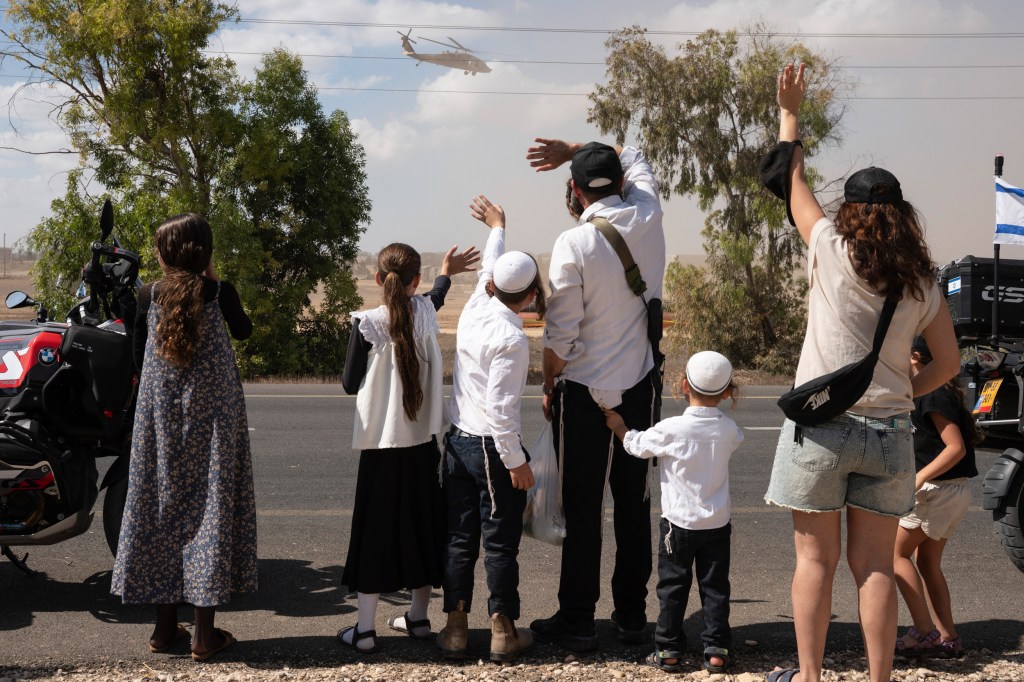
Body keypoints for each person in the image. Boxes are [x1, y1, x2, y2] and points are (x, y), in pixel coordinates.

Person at [761, 63, 960, 682]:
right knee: (874, 566)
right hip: (890, 433)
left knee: (813, 562)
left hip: (822, 428)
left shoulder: (827, 246)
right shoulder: (923, 283)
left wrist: (790, 112)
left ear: (849, 210)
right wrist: (903, 392)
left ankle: (810, 676)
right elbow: (949, 363)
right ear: (903, 215)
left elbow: (790, 178)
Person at [526, 137, 665, 651]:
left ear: (575, 191)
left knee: (582, 505)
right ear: (623, 183)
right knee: (633, 502)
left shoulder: (573, 243)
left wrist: (549, 385)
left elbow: (560, 336)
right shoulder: (649, 212)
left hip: (583, 392)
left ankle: (578, 620)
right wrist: (575, 148)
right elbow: (634, 149)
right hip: (640, 387)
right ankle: (631, 617)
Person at [112, 213, 257, 662]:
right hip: (214, 426)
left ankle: (162, 631)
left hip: (160, 424)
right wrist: (211, 276)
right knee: (209, 512)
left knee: (162, 508)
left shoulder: (146, 296)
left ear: (163, 255)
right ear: (205, 253)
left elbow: (138, 357)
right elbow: (244, 331)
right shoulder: (220, 293)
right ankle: (203, 636)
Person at [338, 241, 479, 654]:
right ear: (415, 280)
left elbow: (349, 384)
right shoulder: (425, 313)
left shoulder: (367, 324)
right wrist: (446, 272)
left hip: (381, 449)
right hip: (423, 447)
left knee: (375, 533)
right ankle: (418, 619)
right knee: (424, 527)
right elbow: (436, 295)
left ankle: (365, 630)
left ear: (378, 279)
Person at [437, 195, 543, 662]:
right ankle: (502, 631)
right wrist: (516, 463)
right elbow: (501, 412)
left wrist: (498, 227)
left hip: (457, 443)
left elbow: (489, 268)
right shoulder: (512, 338)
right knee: (500, 544)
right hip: (491, 450)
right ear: (532, 296)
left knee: (460, 539)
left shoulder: (477, 306)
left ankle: (455, 630)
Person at [604, 351, 743, 674]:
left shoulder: (671, 429)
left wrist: (619, 425)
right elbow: (737, 438)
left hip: (677, 526)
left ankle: (668, 649)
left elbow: (636, 446)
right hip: (716, 525)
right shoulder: (728, 429)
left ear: (683, 386)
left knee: (673, 588)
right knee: (715, 588)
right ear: (727, 393)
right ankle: (717, 649)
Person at [893, 335, 978, 659]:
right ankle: (948, 637)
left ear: (915, 356)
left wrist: (918, 478)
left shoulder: (933, 392)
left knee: (893, 556)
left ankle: (924, 632)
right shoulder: (930, 390)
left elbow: (955, 448)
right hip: (950, 489)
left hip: (937, 490)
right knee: (927, 562)